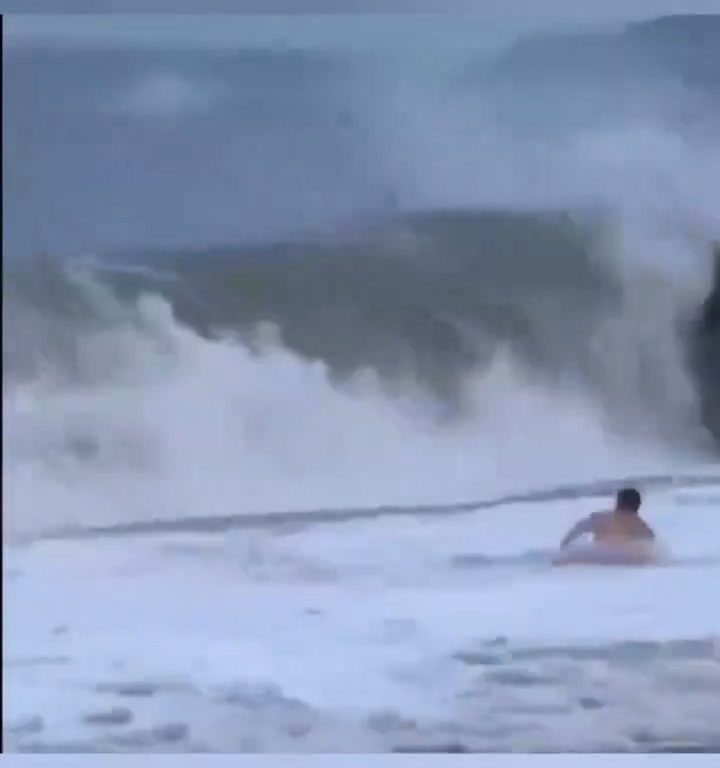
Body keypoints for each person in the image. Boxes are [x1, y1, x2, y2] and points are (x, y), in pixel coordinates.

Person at [555, 488, 656, 564]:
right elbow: (652, 546)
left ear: (618, 502)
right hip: (627, 557)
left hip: (600, 554)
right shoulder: (642, 527)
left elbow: (576, 531)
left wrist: (565, 546)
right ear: (638, 506)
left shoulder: (601, 518)